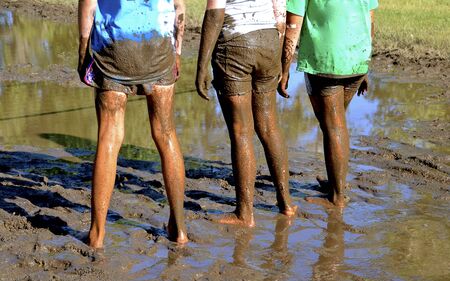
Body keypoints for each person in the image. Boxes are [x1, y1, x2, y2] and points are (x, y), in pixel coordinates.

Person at [77, 0, 188, 248]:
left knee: (109, 138)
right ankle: (179, 229)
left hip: (113, 50)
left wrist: (82, 53)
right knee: (166, 134)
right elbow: (179, 6)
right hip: (158, 47)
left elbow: (88, 5)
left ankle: (97, 235)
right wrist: (177, 52)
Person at [196, 0, 297, 227]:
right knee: (269, 126)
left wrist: (201, 65)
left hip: (236, 44)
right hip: (269, 41)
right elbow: (280, 9)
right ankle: (286, 204)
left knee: (241, 132)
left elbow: (214, 14)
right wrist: (280, 54)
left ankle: (244, 214)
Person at [279, 0, 378, 208]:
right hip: (357, 58)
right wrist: (365, 64)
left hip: (327, 59)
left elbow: (292, 27)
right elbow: (369, 19)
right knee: (334, 125)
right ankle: (336, 183)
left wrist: (284, 69)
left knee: (333, 127)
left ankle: (337, 196)